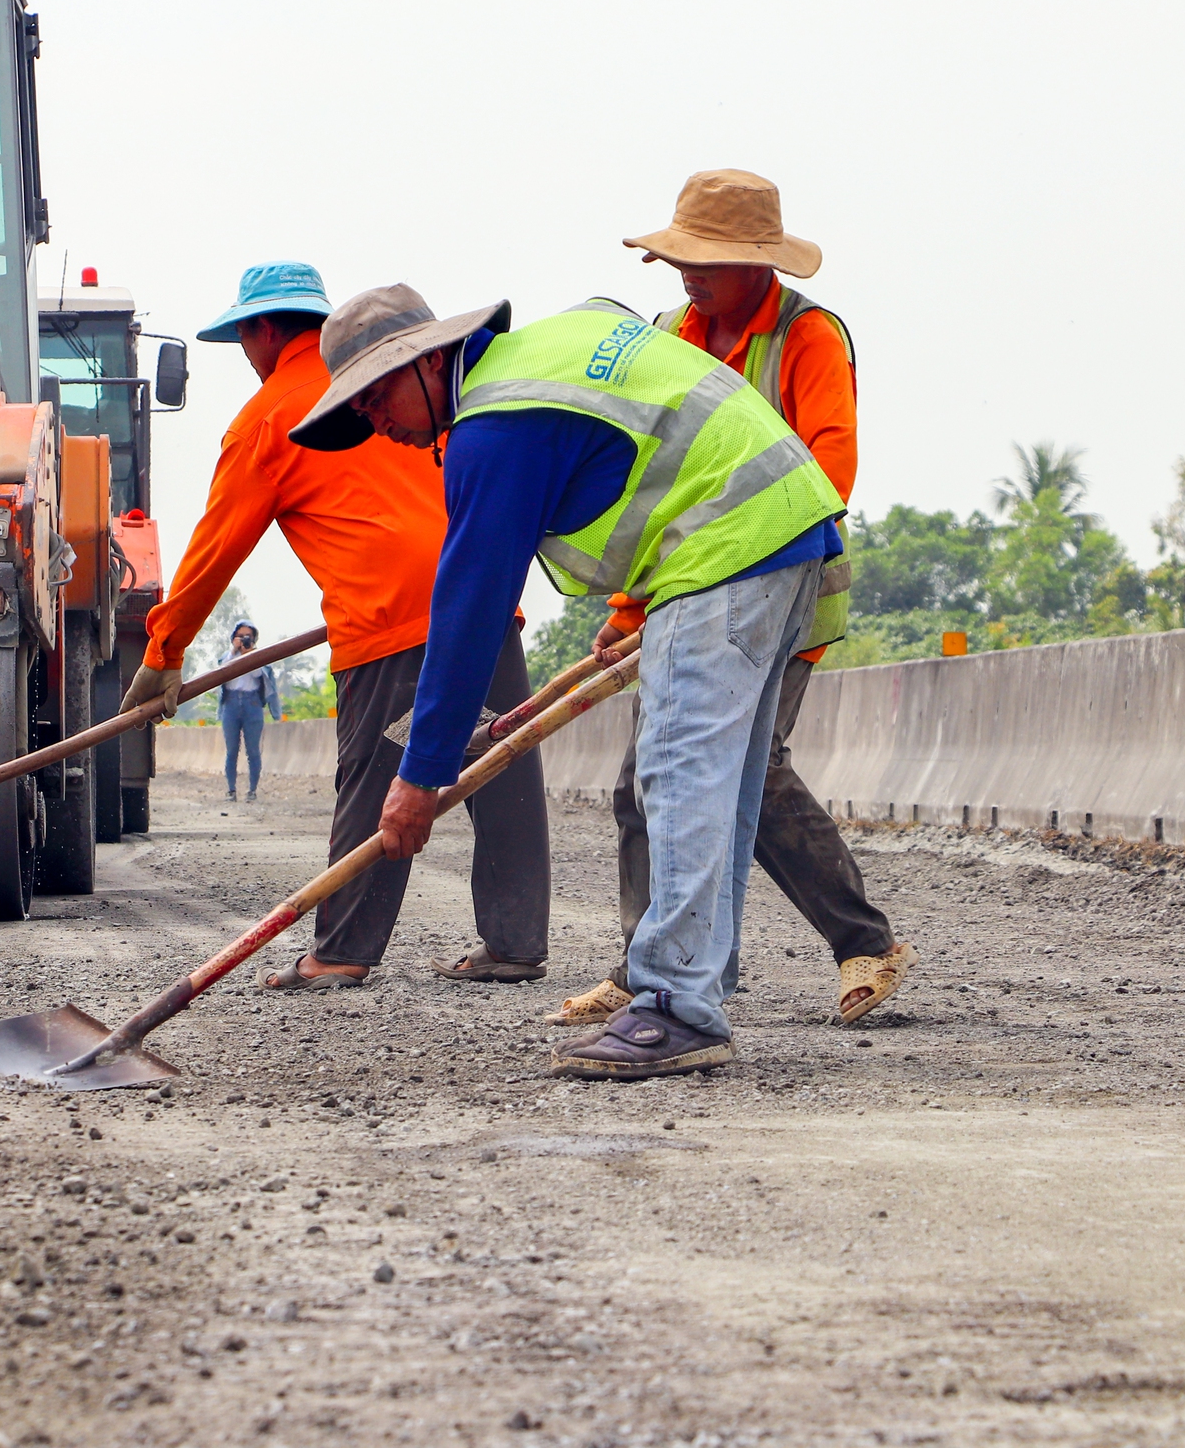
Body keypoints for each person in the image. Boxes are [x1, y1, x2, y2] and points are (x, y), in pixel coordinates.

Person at [289, 280, 843, 1078]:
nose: (375, 421)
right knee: (722, 784)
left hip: (729, 546)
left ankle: (679, 1003)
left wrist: (421, 775)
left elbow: (472, 605)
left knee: (679, 770)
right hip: (788, 524)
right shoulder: (543, 354)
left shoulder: (493, 424)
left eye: (376, 396)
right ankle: (698, 979)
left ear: (430, 360)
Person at [545, 170, 917, 1030]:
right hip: (679, 594)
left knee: (750, 773)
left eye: (707, 260)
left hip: (780, 593)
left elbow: (829, 476)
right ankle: (656, 968)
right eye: (682, 257)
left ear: (759, 263)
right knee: (647, 781)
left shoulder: (808, 338)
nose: (687, 274)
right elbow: (653, 483)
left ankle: (864, 941)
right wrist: (631, 605)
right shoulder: (673, 333)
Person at [120, 261, 551, 991]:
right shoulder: (393, 384)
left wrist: (164, 651)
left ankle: (344, 949)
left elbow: (214, 550)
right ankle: (515, 942)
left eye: (244, 341)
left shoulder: (272, 418)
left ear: (261, 332)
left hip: (386, 619)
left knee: (378, 779)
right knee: (498, 763)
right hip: (480, 592)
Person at [216, 620, 283, 802]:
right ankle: (231, 790)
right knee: (231, 750)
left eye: (248, 637)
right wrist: (234, 651)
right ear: (233, 638)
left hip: (251, 704)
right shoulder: (227, 656)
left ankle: (252, 790)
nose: (244, 640)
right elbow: (223, 673)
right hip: (231, 703)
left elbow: (256, 675)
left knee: (253, 751)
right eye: (240, 636)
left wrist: (249, 656)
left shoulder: (258, 657)